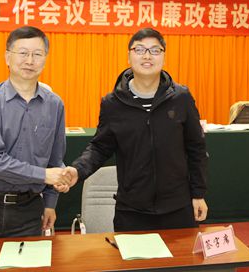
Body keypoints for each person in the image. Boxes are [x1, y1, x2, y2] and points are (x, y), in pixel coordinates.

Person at [59, 28, 208, 232]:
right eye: (139, 49)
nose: (147, 56)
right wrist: (78, 169)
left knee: (181, 254)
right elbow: (100, 147)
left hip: (178, 208)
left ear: (164, 56)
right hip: (132, 211)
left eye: (155, 50)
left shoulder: (181, 98)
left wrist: (198, 194)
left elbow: (197, 148)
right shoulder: (112, 103)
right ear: (129, 56)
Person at [0, 26, 68, 239]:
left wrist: (50, 202)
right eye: (23, 53)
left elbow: (55, 160)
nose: (30, 61)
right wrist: (44, 175)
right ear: (8, 57)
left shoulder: (55, 104)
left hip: (28, 209)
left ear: (45, 59)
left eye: (37, 54)